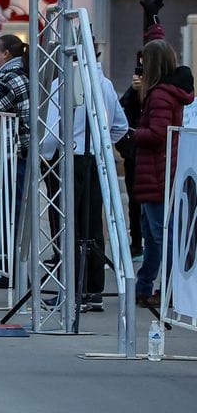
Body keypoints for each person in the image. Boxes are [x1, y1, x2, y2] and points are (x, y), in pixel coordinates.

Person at [39, 37, 129, 312]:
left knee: (66, 225)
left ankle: (72, 287)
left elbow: (52, 128)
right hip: (94, 159)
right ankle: (93, 289)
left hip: (68, 159)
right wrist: (102, 143)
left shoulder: (62, 83)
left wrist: (44, 153)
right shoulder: (105, 84)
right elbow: (119, 126)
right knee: (91, 224)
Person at [130, 39, 192, 308]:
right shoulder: (172, 91)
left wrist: (132, 134)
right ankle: (155, 286)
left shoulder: (159, 95)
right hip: (163, 168)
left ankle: (160, 289)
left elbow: (158, 134)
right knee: (158, 233)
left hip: (156, 170)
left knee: (158, 235)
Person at [0, 34, 30, 290]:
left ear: (6, 55)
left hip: (13, 155)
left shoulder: (10, 79)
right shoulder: (13, 76)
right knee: (10, 213)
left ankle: (15, 272)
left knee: (13, 215)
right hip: (10, 155)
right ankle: (12, 270)